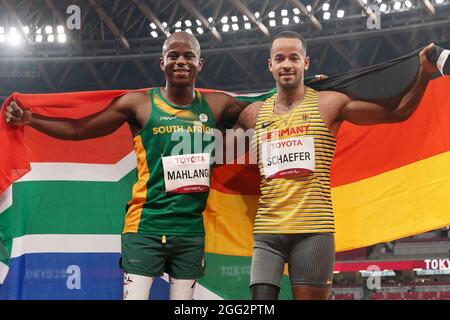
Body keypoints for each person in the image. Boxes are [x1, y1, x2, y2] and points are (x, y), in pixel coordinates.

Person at [4, 31, 249, 300]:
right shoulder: (140, 104)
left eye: (189, 56)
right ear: (162, 63)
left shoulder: (216, 105)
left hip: (189, 229)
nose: (181, 61)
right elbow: (80, 129)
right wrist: (31, 119)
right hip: (146, 226)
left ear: (199, 64)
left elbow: (263, 109)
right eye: (173, 55)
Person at [234, 31, 439, 300]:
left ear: (305, 63)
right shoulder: (252, 113)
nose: (287, 64)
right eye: (280, 58)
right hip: (267, 233)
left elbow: (396, 112)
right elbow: (209, 134)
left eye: (294, 58)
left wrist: (423, 74)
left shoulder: (327, 103)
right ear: (270, 64)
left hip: (313, 232)